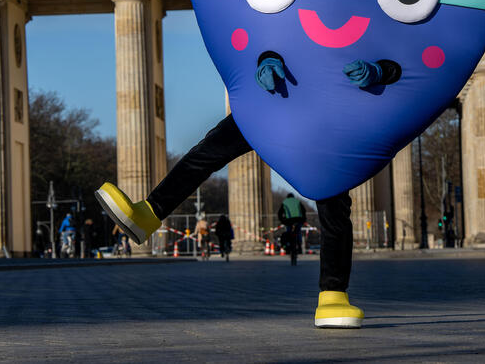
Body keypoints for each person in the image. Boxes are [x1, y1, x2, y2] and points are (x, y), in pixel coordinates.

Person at [97, 115, 363, 328]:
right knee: (210, 148)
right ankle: (148, 213)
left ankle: (333, 293)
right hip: (269, 98)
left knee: (333, 192)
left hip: (322, 108)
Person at [278, 193, 307, 265]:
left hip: (289, 221)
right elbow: (303, 211)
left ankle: (288, 247)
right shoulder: (297, 201)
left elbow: (279, 213)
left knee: (289, 233)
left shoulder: (285, 202)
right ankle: (299, 246)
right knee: (298, 233)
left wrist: (283, 221)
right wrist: (303, 220)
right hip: (298, 220)